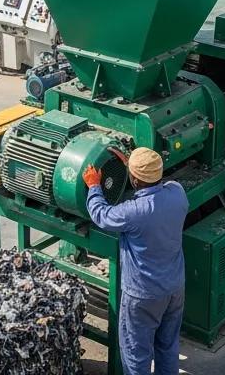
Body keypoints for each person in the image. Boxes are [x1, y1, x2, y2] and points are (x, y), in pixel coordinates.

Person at [83, 147, 188, 375]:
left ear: (134, 180)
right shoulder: (178, 194)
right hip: (174, 287)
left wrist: (93, 186)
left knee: (136, 356)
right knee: (167, 346)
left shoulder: (133, 212)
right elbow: (161, 184)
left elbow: (101, 214)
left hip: (143, 295)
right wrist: (137, 165)